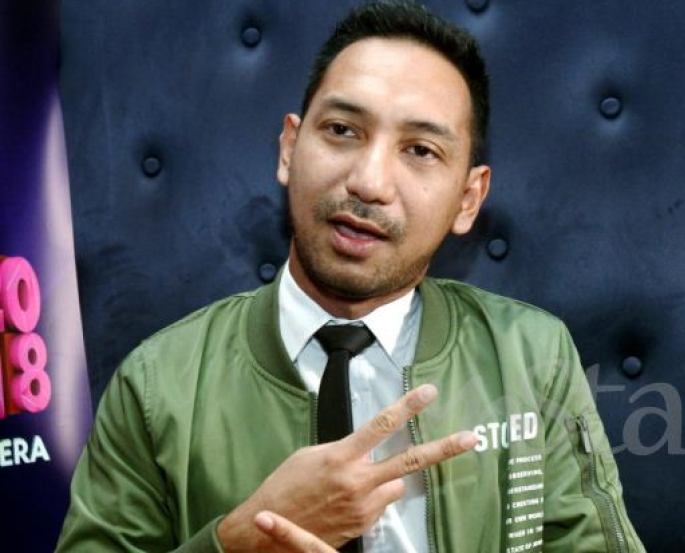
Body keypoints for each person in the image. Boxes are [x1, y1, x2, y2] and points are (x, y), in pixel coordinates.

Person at [56, 2, 646, 552]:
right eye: (342, 130)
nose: (369, 181)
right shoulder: (157, 387)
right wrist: (240, 541)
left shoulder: (531, 357)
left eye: (420, 150)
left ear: (468, 199)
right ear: (289, 148)